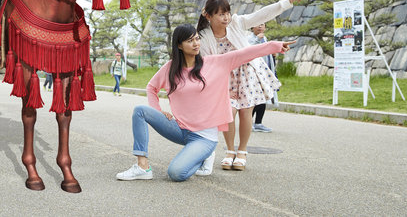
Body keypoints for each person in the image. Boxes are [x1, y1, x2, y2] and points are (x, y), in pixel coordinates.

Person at [115, 24, 294, 182]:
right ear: (179, 45)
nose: (196, 44)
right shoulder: (170, 67)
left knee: (176, 174)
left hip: (203, 137)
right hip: (179, 127)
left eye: (197, 39)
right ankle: (142, 166)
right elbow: (151, 87)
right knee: (140, 110)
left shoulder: (216, 63)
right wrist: (158, 110)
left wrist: (276, 46)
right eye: (190, 41)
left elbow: (246, 53)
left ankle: (204, 155)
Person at [197, 0, 304, 171]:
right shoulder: (204, 36)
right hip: (223, 76)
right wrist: (214, 86)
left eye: (227, 13)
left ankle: (242, 152)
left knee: (246, 111)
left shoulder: (236, 23)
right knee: (227, 112)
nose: (226, 18)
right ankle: (230, 151)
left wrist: (288, 2)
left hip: (246, 72)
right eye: (221, 14)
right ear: (208, 15)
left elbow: (262, 14)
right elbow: (207, 64)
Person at [248, 23, 276, 133]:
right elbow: (247, 51)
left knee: (263, 97)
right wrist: (256, 40)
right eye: (257, 24)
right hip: (254, 73)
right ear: (252, 27)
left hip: (264, 73)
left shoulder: (265, 38)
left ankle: (258, 123)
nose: (260, 27)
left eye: (262, 25)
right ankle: (249, 122)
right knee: (256, 98)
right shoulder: (249, 38)